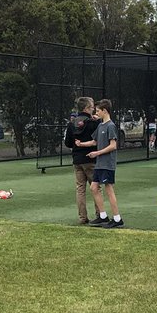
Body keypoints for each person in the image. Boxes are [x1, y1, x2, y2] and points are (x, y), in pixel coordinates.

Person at [63, 96, 99, 224]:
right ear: (86, 108)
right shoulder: (93, 123)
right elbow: (98, 140)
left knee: (80, 189)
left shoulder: (72, 123)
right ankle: (100, 215)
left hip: (77, 160)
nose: (94, 109)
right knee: (95, 187)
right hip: (91, 158)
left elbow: (67, 143)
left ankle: (82, 217)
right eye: (92, 107)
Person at [88, 98, 124, 227]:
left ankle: (117, 218)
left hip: (108, 163)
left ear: (105, 111)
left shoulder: (111, 126)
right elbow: (94, 142)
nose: (96, 113)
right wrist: (80, 144)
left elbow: (113, 146)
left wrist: (97, 153)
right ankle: (103, 216)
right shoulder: (100, 125)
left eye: (98, 111)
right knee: (93, 187)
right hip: (99, 164)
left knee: (109, 190)